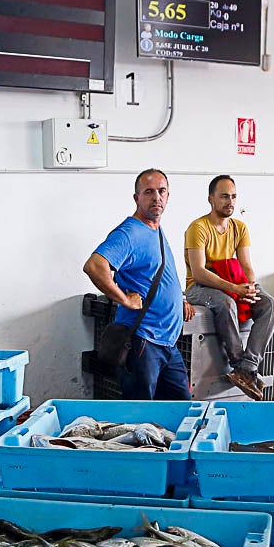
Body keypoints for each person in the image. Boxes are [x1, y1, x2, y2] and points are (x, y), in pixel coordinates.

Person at [83, 168, 196, 400]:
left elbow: (157, 273)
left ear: (168, 196)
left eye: (162, 191)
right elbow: (94, 266)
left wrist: (180, 299)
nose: (156, 197)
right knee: (141, 416)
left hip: (167, 342)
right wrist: (124, 299)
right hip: (142, 341)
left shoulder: (156, 229)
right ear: (137, 198)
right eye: (149, 192)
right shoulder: (129, 233)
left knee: (181, 408)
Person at [183, 175, 274, 400]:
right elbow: (198, 272)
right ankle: (237, 364)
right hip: (200, 287)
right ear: (211, 199)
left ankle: (248, 366)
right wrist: (235, 289)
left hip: (232, 282)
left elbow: (246, 265)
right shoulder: (198, 228)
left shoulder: (239, 227)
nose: (230, 201)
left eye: (233, 196)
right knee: (226, 303)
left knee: (270, 305)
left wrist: (250, 286)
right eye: (224, 196)